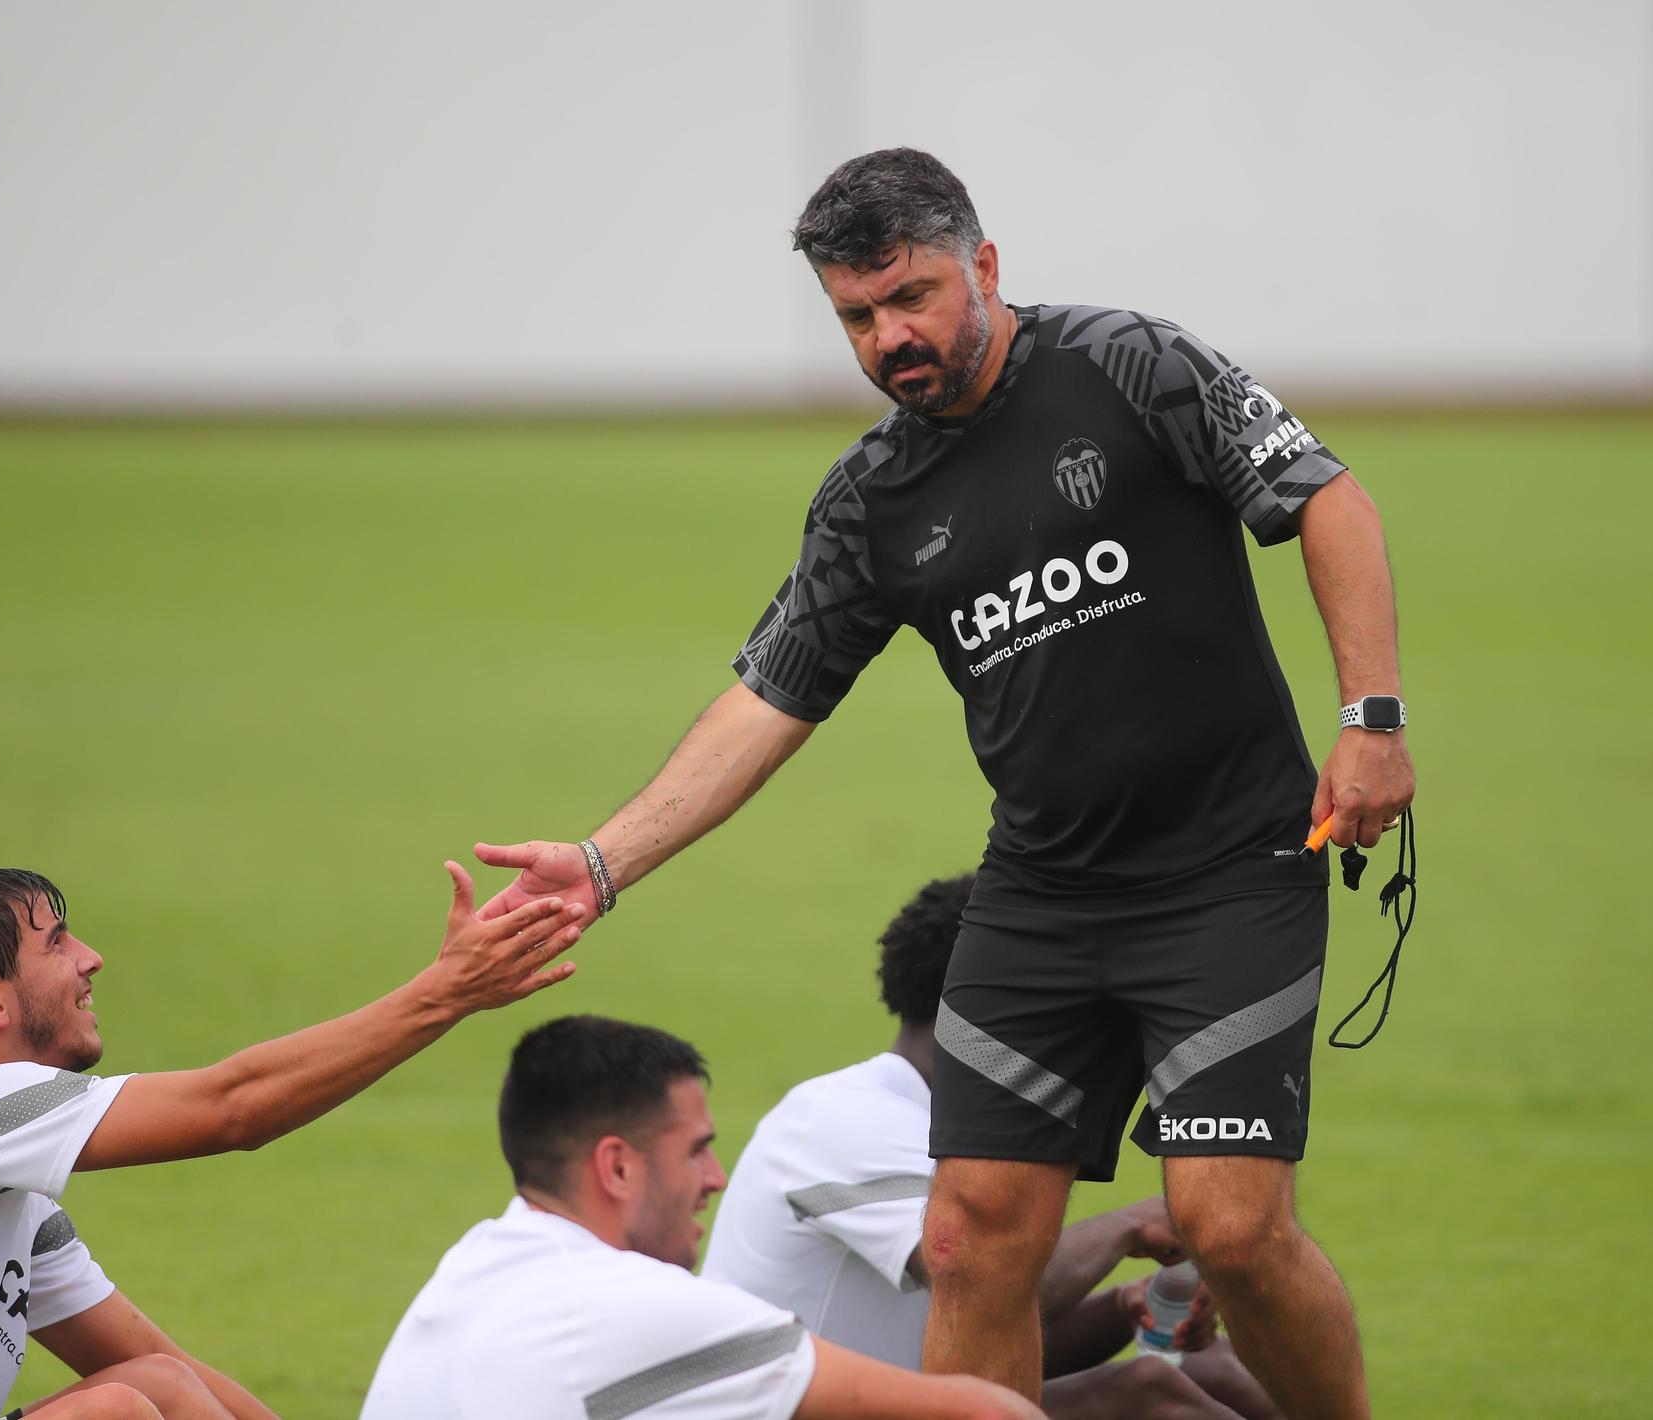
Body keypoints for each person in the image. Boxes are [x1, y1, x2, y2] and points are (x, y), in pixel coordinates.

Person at [471, 147, 1413, 1417]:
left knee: (1230, 1227)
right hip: (1041, 897)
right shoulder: (870, 498)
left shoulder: (1130, 364)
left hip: (1227, 876)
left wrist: (1369, 719)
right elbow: (767, 699)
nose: (889, 336)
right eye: (855, 316)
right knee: (971, 1237)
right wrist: (599, 864)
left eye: (910, 296)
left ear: (982, 263)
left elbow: (1326, 498)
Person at [0, 864, 583, 1420]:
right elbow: (234, 1107)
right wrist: (445, 992)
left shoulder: (1, 1187)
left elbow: (156, 1362)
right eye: (55, 941)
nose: (91, 958)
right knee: (117, 1409)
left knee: (158, 1385)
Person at [703, 874, 1280, 1420]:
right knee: (1149, 1397)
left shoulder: (956, 1130)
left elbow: (983, 1332)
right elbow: (982, 1282)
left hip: (888, 1401)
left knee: (1208, 1365)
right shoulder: (845, 1121)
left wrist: (1123, 1309)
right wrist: (1127, 1226)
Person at [360, 1014, 1041, 1420]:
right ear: (618, 1167)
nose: (716, 1179)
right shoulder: (634, 1308)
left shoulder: (475, 1265)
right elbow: (979, 1411)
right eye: (696, 1152)